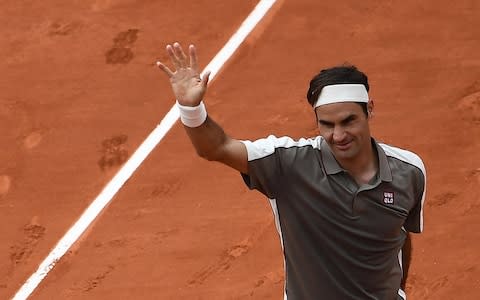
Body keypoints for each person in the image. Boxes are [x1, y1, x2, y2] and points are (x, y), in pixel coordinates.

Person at [156, 42, 426, 300]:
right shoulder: (288, 165)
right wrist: (191, 109)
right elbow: (217, 148)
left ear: (369, 110)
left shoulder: (409, 172)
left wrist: (398, 290)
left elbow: (400, 234)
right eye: (327, 124)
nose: (338, 135)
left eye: (348, 121)